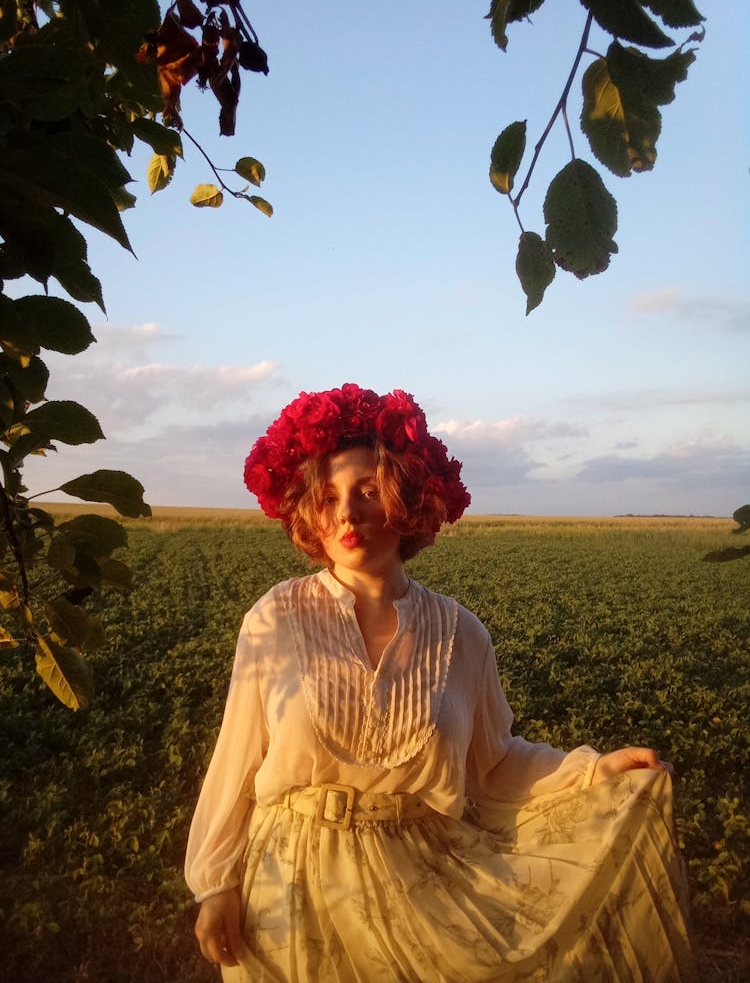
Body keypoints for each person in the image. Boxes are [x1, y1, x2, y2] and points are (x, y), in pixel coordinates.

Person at [185, 383, 696, 982]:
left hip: (420, 885)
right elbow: (237, 757)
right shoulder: (275, 617)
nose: (346, 513)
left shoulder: (462, 633)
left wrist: (593, 772)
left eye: (368, 491)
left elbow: (495, 762)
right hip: (287, 889)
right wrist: (214, 881)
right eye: (328, 497)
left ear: (405, 502)